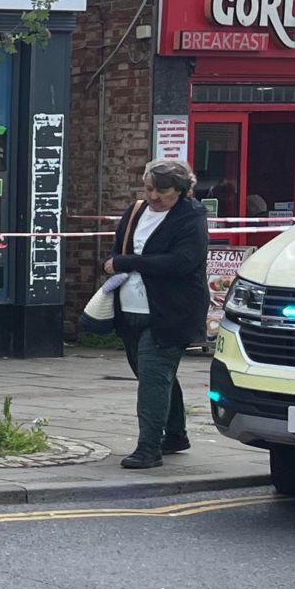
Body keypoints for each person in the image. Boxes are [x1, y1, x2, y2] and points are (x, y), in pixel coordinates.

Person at [104, 159, 209, 470]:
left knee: (152, 378)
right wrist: (118, 261)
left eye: (162, 191)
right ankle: (176, 435)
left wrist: (127, 262)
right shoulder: (136, 211)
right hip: (130, 309)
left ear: (182, 191)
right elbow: (118, 249)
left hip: (171, 312)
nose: (153, 196)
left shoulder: (191, 218)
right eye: (149, 188)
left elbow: (182, 262)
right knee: (156, 375)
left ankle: (148, 449)